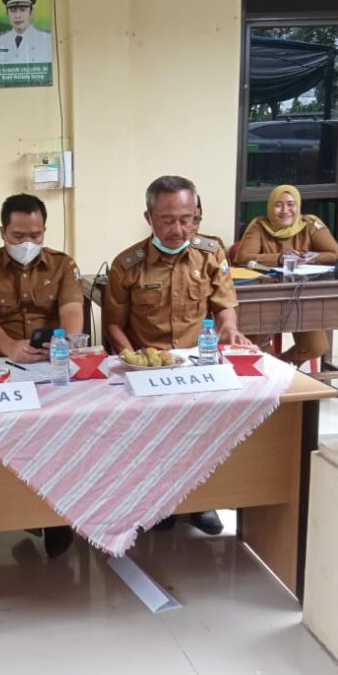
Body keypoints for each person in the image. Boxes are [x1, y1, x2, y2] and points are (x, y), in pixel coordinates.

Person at [103, 176, 252, 537]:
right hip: (147, 369)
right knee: (151, 442)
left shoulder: (210, 253)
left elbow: (224, 304)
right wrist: (132, 358)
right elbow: (113, 324)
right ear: (149, 218)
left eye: (188, 219)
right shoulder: (128, 264)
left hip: (197, 364)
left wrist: (229, 328)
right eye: (167, 220)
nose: (178, 229)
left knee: (202, 435)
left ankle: (202, 502)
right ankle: (159, 505)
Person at [0, 194, 81, 557]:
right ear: (3, 231)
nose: (28, 243)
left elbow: (72, 311)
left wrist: (63, 344)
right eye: (18, 236)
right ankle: (21, 508)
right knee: (9, 437)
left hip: (51, 363)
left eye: (36, 235)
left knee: (62, 432)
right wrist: (10, 347)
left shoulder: (63, 265)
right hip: (0, 366)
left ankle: (59, 515)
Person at [233, 184, 338, 365]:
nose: (285, 210)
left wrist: (309, 257)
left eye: (291, 204)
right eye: (278, 205)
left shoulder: (310, 225)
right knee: (255, 344)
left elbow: (336, 255)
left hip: (303, 297)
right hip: (266, 296)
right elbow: (243, 257)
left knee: (316, 346)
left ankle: (282, 365)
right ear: (270, 207)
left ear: (298, 206)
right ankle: (269, 372)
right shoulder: (259, 226)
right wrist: (280, 258)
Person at [0, 0, 52, 65]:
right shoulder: (1, 40)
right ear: (7, 14)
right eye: (13, 10)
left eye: (23, 10)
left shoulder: (46, 39)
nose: (17, 16)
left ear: (31, 12)